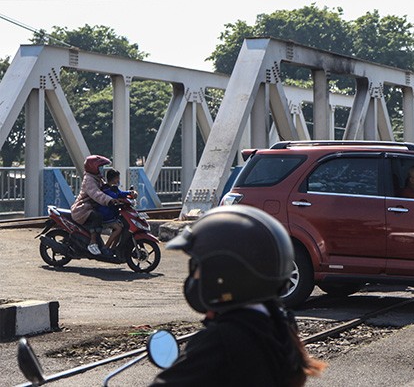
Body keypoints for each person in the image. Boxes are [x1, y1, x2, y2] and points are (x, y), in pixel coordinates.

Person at [151, 205, 326, 386]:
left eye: (197, 266)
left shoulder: (221, 341)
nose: (193, 276)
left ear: (225, 274)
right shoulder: (278, 324)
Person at [70, 155, 117, 256]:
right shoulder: (89, 179)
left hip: (91, 207)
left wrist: (122, 194)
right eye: (100, 167)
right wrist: (109, 200)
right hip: (82, 209)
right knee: (97, 216)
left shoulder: (97, 178)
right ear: (93, 167)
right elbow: (96, 194)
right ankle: (93, 243)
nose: (102, 169)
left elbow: (105, 189)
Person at [97, 168, 138, 250]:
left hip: (112, 215)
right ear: (114, 178)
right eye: (118, 178)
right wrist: (121, 199)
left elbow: (120, 193)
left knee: (121, 227)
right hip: (106, 216)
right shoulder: (106, 189)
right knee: (118, 228)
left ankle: (114, 248)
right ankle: (105, 248)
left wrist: (130, 192)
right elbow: (114, 196)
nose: (119, 180)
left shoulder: (113, 188)